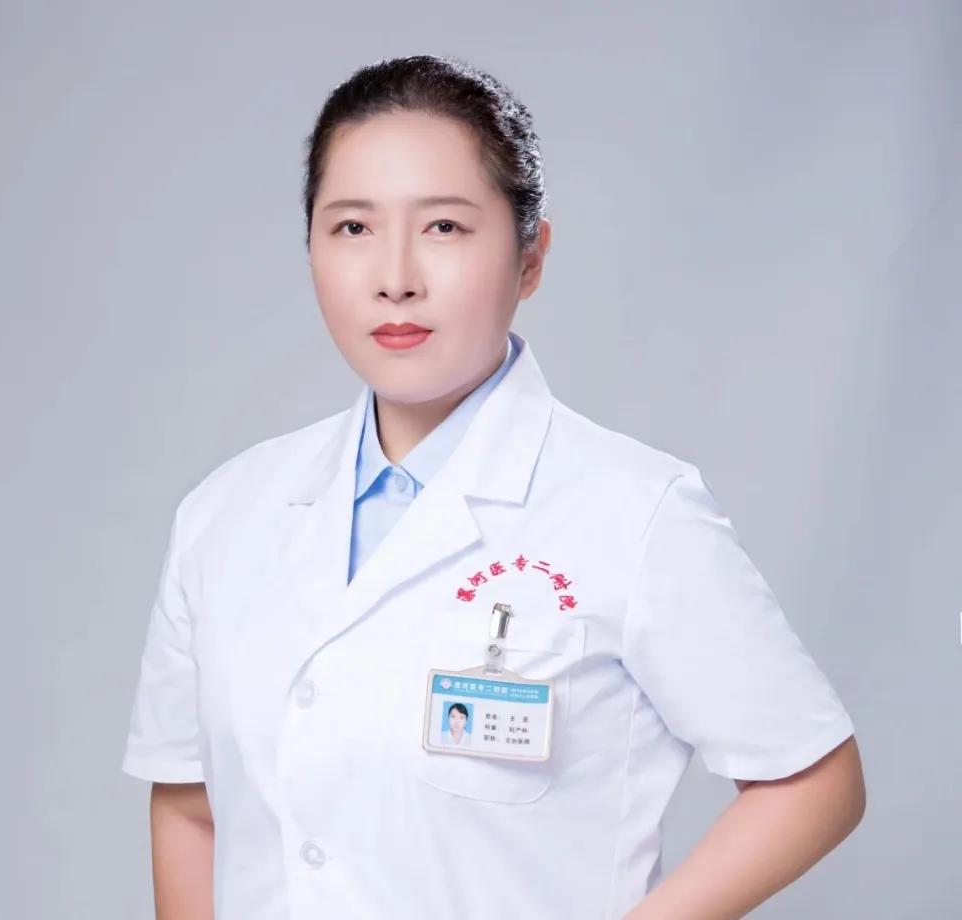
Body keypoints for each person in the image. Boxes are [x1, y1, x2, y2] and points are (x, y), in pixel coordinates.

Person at [121, 54, 866, 920]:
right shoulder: (224, 515)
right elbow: (190, 804)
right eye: (353, 227)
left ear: (531, 256)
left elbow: (815, 781)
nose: (395, 277)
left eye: (444, 226)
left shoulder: (635, 513)